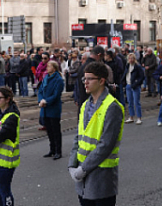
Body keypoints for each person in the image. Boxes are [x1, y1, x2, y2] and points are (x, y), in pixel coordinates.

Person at [68, 62, 124, 206]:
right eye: (84, 79)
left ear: (101, 81)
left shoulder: (113, 107)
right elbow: (78, 137)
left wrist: (83, 169)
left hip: (101, 176)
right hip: (83, 178)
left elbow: (106, 145)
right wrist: (72, 164)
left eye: (89, 79)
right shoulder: (86, 105)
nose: (85, 82)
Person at [38, 60, 64, 160]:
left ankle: (58, 151)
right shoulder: (46, 78)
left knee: (55, 130)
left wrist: (46, 101)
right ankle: (52, 149)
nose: (47, 68)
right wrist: (40, 100)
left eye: (49, 66)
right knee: (49, 130)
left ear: (54, 68)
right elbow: (40, 90)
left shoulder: (58, 80)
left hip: (53, 108)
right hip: (45, 108)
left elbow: (56, 95)